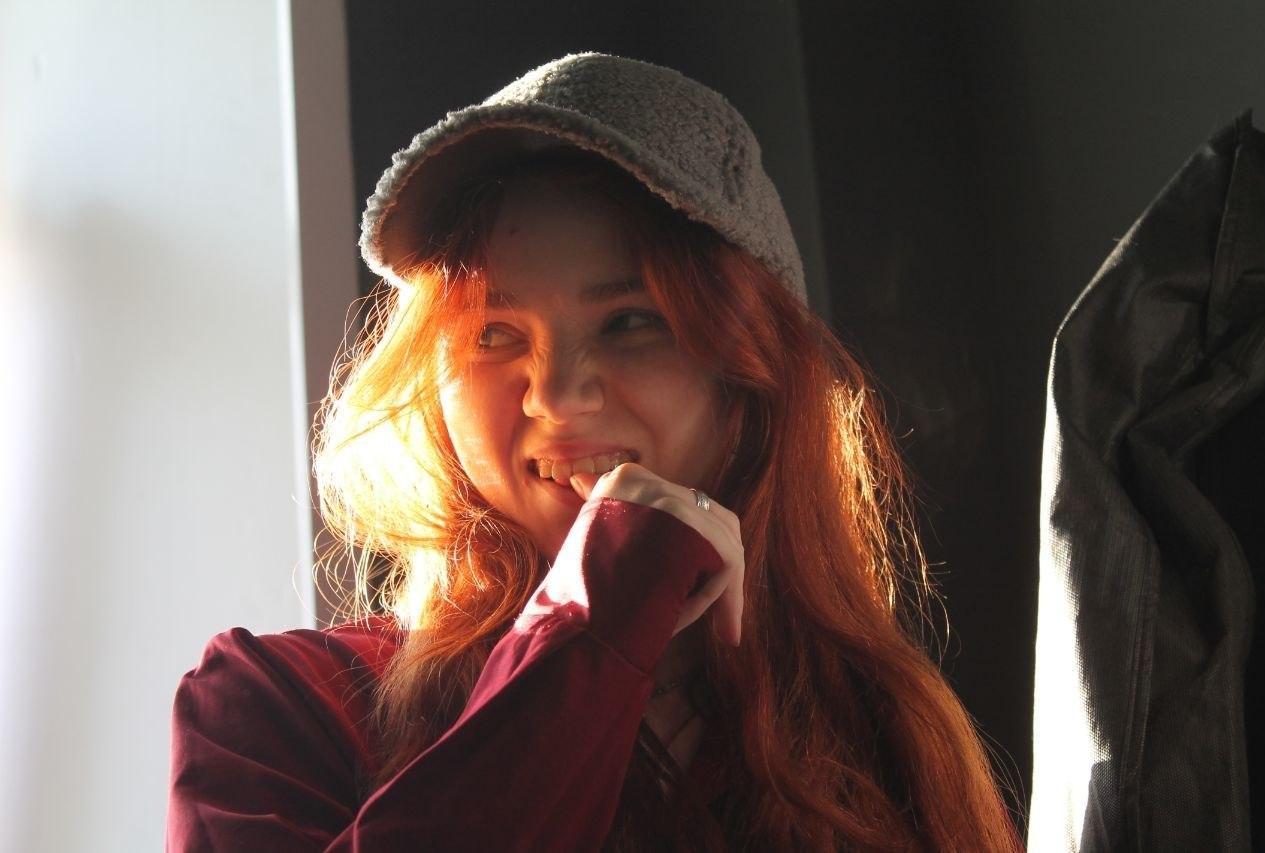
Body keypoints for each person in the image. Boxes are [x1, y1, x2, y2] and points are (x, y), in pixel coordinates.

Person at [167, 52, 1021, 851]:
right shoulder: (275, 708)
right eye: (493, 333)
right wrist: (590, 625)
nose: (556, 394)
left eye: (631, 322)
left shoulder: (884, 735)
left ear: (753, 378)